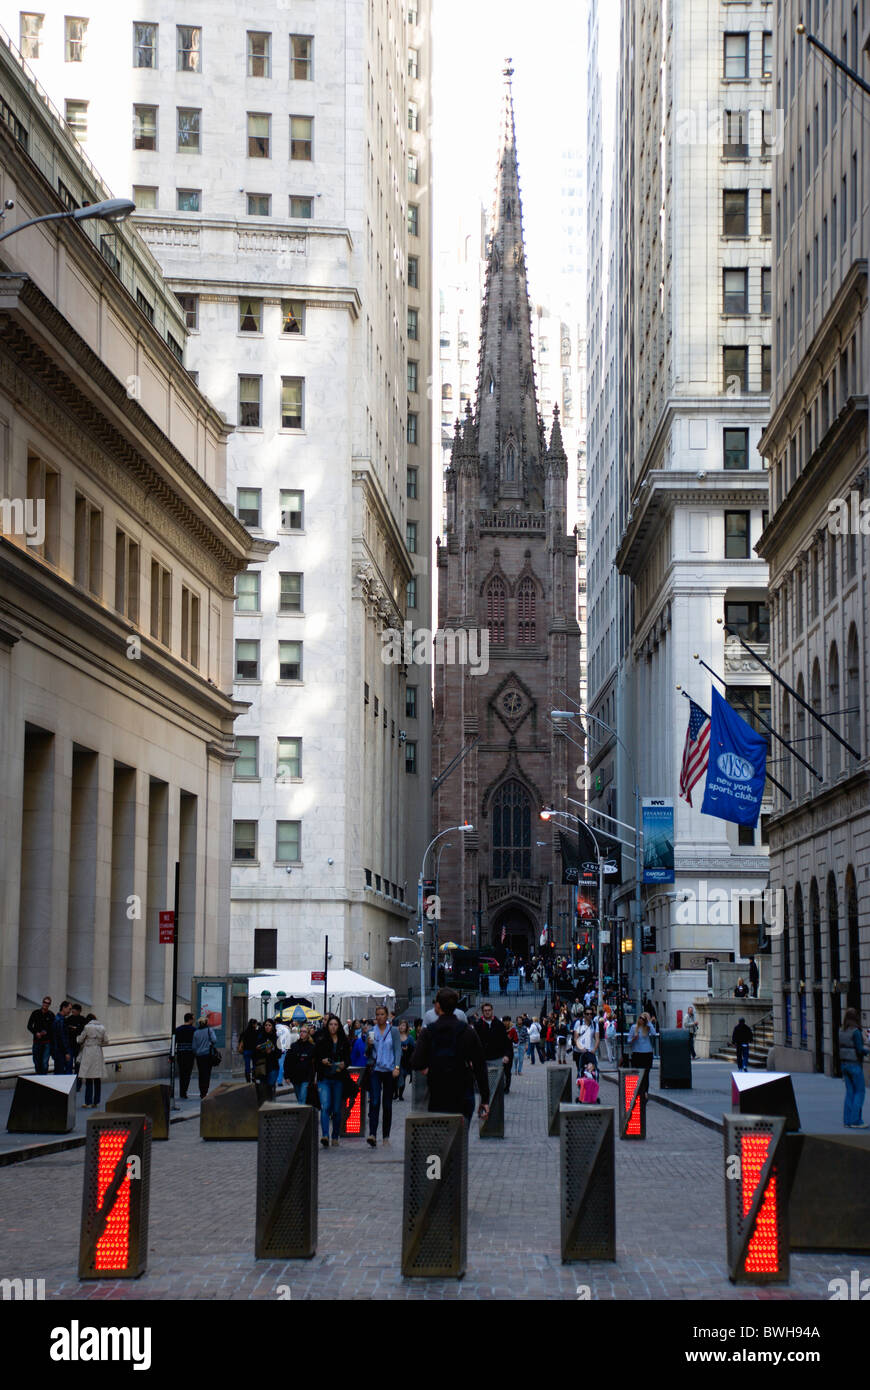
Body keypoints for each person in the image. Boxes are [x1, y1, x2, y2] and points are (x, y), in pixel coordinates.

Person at [411, 987, 490, 1127]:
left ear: (437, 1006)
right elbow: (480, 1065)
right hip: (463, 1089)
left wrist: (429, 1068)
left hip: (438, 1092)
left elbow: (416, 1061)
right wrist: (484, 1099)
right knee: (461, 1138)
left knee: (441, 1137)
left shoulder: (428, 1032)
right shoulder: (467, 1032)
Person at [366, 1004, 401, 1146]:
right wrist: (368, 1044)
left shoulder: (393, 1031)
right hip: (376, 1069)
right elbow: (367, 1053)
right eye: (377, 1014)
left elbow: (398, 1050)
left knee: (387, 1104)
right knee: (374, 1101)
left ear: (387, 1016)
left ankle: (385, 1135)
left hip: (389, 1070)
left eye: (382, 1014)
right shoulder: (371, 1031)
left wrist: (397, 1067)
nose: (379, 1017)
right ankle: (372, 1134)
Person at [315, 1014, 350, 1147]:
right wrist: (322, 1061)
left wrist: (344, 1064)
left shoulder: (343, 1041)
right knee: (325, 1106)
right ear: (327, 1025)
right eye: (331, 1024)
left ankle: (335, 1135)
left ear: (339, 1026)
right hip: (324, 1077)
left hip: (338, 1077)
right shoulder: (322, 1040)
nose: (333, 1027)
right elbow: (315, 1058)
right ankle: (325, 1135)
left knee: (336, 1109)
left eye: (335, 1024)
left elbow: (348, 1059)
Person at [839, 1007, 868, 1128]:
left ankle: (847, 1120)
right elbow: (859, 1049)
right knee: (860, 1092)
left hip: (844, 1064)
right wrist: (867, 1049)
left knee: (850, 1092)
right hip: (855, 1064)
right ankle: (856, 1120)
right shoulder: (855, 1031)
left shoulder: (841, 1030)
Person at [474, 1001, 513, 1094]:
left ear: (492, 1011)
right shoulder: (478, 1025)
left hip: (497, 1058)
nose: (487, 1012)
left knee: (497, 1083)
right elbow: (474, 1043)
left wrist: (507, 1055)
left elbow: (506, 1042)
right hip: (483, 1059)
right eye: (485, 1010)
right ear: (482, 1012)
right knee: (483, 1084)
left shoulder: (499, 1024)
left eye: (489, 1010)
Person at [78, 1013, 108, 1108]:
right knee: (97, 1077)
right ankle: (96, 1101)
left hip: (88, 1052)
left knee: (89, 1077)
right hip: (98, 1052)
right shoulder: (102, 1028)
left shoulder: (87, 1027)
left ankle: (88, 1101)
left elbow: (80, 1040)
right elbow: (106, 1041)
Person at [286, 1023, 317, 1105]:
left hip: (306, 1077)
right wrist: (287, 1076)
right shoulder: (294, 1046)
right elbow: (288, 1061)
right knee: (299, 1097)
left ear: (308, 1034)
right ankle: (303, 1114)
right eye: (301, 1031)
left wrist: (314, 1077)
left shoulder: (312, 1047)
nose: (302, 1033)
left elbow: (314, 1063)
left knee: (302, 1099)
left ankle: (302, 1116)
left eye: (305, 1032)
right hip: (295, 1076)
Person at [627, 1012, 656, 1096]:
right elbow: (628, 1040)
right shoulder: (634, 1027)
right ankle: (637, 1091)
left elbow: (654, 1034)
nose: (641, 1020)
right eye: (640, 1017)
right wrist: (634, 1039)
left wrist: (649, 1022)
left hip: (647, 1053)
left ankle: (645, 1092)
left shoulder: (648, 1027)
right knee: (637, 1073)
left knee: (646, 1074)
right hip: (637, 1053)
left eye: (644, 1019)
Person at [192, 1016, 219, 1100]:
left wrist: (197, 1052)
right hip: (208, 1055)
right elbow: (214, 1040)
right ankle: (205, 1091)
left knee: (201, 1073)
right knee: (207, 1073)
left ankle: (201, 1092)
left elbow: (194, 1046)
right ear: (206, 1022)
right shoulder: (209, 1030)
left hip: (199, 1056)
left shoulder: (196, 1032)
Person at [27, 996, 53, 1075]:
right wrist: (36, 1033)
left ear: (49, 1004)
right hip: (37, 1041)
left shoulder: (51, 1015)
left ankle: (44, 1078)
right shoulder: (35, 1013)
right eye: (45, 1002)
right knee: (37, 1062)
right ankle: (39, 1077)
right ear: (42, 1003)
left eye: (48, 1003)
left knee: (44, 1063)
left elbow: (53, 1029)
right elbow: (29, 1026)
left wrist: (47, 1033)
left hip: (47, 1042)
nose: (46, 1004)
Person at [255, 1018, 280, 1100]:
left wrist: (271, 1051)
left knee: (270, 1087)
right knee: (263, 1089)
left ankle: (271, 1105)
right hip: (262, 1067)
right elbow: (254, 1053)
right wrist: (259, 1049)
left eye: (269, 1025)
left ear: (272, 1027)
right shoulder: (260, 1037)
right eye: (266, 1025)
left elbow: (279, 1054)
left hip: (273, 1066)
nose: (267, 1027)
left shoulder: (276, 1038)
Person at [173, 1012, 196, 1099]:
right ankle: (184, 1091)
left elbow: (173, 1043)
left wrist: (171, 1055)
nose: (193, 1021)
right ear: (190, 1020)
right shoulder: (194, 1030)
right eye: (193, 1019)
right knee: (187, 1073)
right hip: (190, 1054)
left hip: (180, 1054)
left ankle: (182, 1091)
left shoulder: (178, 1029)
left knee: (181, 1073)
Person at [573, 1009, 599, 1076]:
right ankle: (580, 1082)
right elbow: (575, 1038)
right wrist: (581, 1049)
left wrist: (594, 1050)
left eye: (591, 1014)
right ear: (584, 1014)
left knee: (592, 1070)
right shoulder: (579, 1023)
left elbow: (597, 1039)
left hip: (590, 1051)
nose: (589, 1015)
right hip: (579, 1051)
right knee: (581, 1070)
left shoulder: (595, 1025)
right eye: (587, 1014)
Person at [67, 1005, 86, 1092]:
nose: (72, 1012)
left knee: (78, 1067)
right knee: (69, 1066)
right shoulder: (69, 1019)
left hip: (79, 1047)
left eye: (74, 1011)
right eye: (72, 1011)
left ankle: (78, 1086)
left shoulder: (82, 1019)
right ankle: (70, 1085)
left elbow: (83, 1031)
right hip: (70, 1045)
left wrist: (75, 1029)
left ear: (79, 1011)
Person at [51, 1001, 73, 1074]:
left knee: (59, 1071)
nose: (70, 1011)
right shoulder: (60, 1020)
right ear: (63, 1008)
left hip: (58, 1050)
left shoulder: (59, 1019)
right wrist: (66, 1052)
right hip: (60, 1051)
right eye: (69, 1009)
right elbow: (61, 1037)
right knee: (61, 1073)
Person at [396, 1019, 415, 1099]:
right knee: (395, 1077)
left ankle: (400, 1094)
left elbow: (413, 1049)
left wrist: (407, 1049)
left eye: (403, 1025)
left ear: (406, 1027)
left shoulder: (409, 1038)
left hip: (405, 1061)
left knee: (403, 1076)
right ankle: (395, 1093)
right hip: (397, 1060)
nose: (401, 1027)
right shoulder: (395, 1036)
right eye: (400, 1025)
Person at [275, 1017, 292, 1088]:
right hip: (284, 1049)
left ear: (276, 1022)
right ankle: (280, 1080)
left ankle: (278, 1080)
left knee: (277, 1064)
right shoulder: (286, 1029)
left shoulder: (275, 1028)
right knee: (282, 1065)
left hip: (276, 1049)